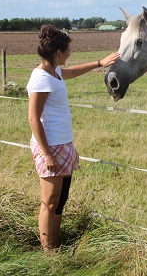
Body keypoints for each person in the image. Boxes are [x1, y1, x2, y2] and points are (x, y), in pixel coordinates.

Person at [27, 24, 120, 251]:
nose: (70, 54)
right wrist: (47, 154)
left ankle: (54, 245)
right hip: (50, 147)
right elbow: (33, 119)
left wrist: (100, 63)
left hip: (63, 144)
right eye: (68, 50)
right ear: (58, 53)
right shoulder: (41, 79)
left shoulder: (54, 72)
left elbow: (71, 72)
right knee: (50, 201)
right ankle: (48, 252)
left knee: (60, 200)